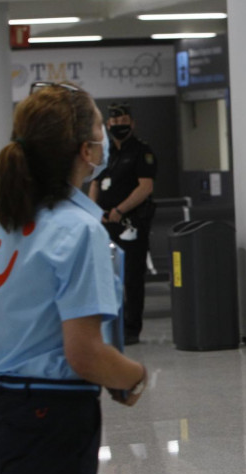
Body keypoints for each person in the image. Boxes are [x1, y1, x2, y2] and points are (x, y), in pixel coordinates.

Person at [0, 81, 148, 474]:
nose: (108, 135)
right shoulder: (78, 230)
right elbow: (84, 353)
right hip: (55, 424)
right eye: (102, 127)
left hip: (3, 419)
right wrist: (134, 376)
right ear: (87, 151)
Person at [89, 102, 157, 346]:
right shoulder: (106, 155)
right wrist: (94, 212)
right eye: (114, 123)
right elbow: (95, 184)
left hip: (132, 224)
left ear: (132, 123)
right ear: (108, 125)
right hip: (105, 225)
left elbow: (145, 187)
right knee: (105, 278)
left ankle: (131, 329)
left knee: (132, 278)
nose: (119, 126)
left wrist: (119, 210)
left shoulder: (141, 151)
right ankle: (109, 324)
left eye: (123, 122)